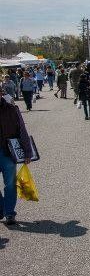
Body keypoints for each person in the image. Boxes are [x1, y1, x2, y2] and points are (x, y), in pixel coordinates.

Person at [0, 94, 31, 225]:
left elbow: (22, 130)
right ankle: (2, 208)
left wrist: (27, 151)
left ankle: (9, 213)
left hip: (7, 152)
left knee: (10, 184)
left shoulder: (12, 109)